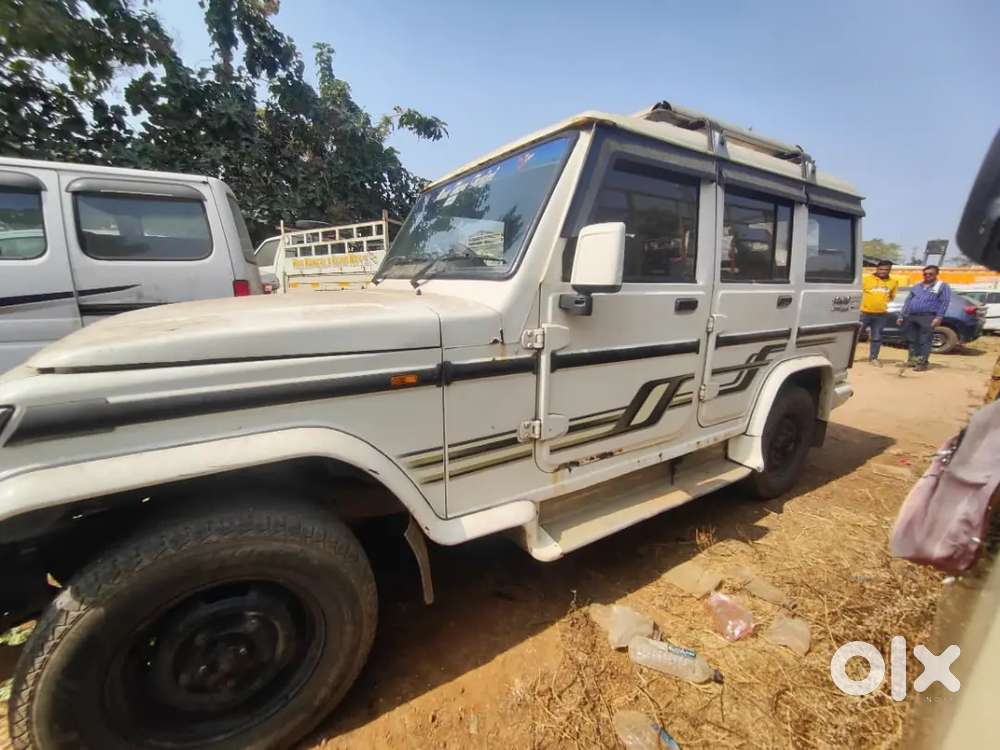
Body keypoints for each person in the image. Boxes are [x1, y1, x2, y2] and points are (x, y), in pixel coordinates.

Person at [897, 265, 951, 371]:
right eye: (925, 274)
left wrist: (939, 317)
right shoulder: (917, 286)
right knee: (912, 340)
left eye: (930, 274)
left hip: (928, 317)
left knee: (924, 340)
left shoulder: (942, 286)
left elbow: (945, 302)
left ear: (936, 274)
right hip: (912, 316)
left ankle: (922, 363)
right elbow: (908, 302)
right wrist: (901, 315)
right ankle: (912, 360)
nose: (927, 276)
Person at [859, 259, 898, 366]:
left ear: (889, 270)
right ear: (877, 268)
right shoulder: (866, 280)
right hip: (864, 313)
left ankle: (873, 358)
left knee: (877, 337)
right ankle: (847, 358)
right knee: (855, 337)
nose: (883, 271)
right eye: (881, 269)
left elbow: (891, 297)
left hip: (881, 315)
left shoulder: (893, 282)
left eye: (886, 269)